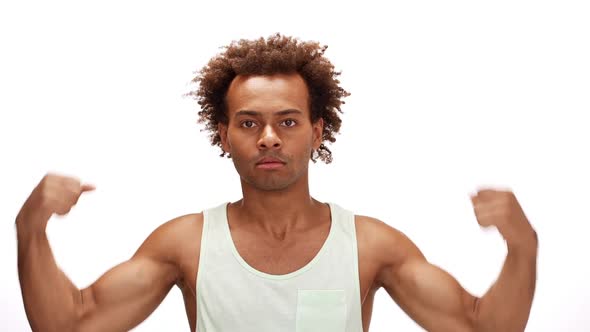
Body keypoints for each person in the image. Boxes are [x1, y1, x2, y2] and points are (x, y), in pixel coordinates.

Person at [16, 34, 538, 332]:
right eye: (249, 123)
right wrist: (30, 228)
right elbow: (68, 326)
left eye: (287, 122)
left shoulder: (370, 245)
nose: (268, 138)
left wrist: (523, 246)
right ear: (223, 134)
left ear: (317, 132)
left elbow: (482, 328)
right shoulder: (186, 243)